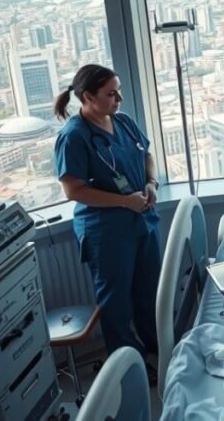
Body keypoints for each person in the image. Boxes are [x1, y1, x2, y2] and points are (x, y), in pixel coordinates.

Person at [53, 64, 161, 366]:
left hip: (142, 221)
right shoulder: (74, 136)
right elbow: (73, 190)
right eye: (111, 93)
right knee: (116, 304)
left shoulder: (123, 122)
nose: (119, 99)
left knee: (148, 292)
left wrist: (151, 183)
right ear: (87, 96)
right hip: (107, 232)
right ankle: (129, 366)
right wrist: (124, 202)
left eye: (119, 91)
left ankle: (158, 346)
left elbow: (146, 155)